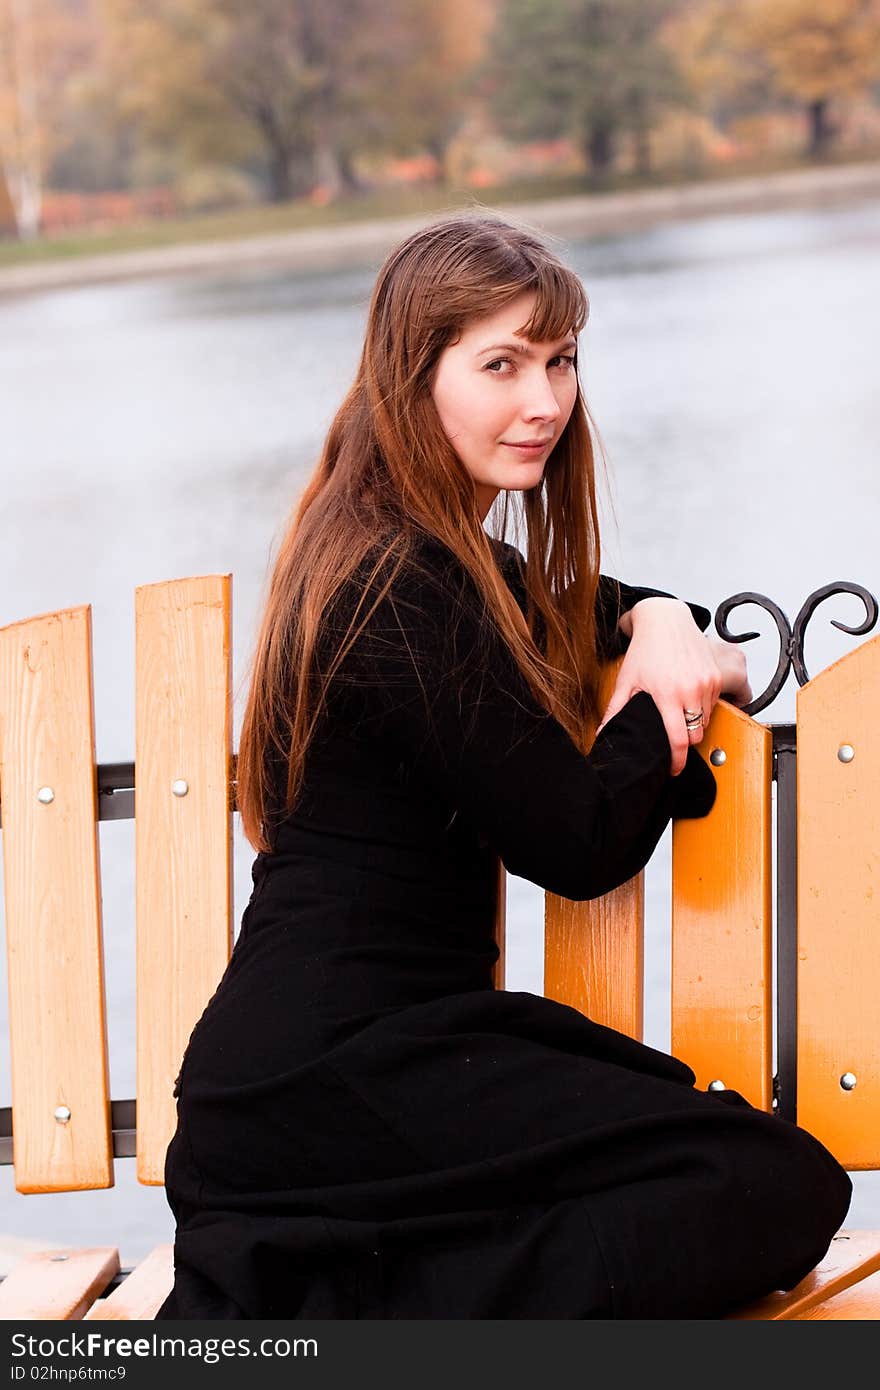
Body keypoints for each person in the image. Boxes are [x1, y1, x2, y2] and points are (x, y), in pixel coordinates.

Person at [156, 213, 851, 1320]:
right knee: (768, 1184)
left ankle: (329, 1295)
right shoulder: (397, 585)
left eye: (560, 359)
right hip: (324, 1078)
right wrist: (666, 695)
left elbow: (605, 611)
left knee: (699, 1150)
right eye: (501, 365)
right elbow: (578, 843)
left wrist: (665, 622)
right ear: (411, 376)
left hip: (370, 1068)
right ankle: (335, 1315)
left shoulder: (430, 554)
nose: (545, 400)